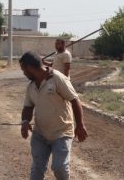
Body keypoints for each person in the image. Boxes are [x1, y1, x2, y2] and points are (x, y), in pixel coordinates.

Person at [19, 51, 87, 180]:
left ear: (30, 67)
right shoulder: (31, 86)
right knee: (37, 168)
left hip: (61, 133)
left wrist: (80, 125)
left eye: (24, 70)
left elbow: (74, 100)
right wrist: (25, 122)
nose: (23, 73)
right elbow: (28, 107)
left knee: (59, 167)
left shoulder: (57, 78)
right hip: (40, 134)